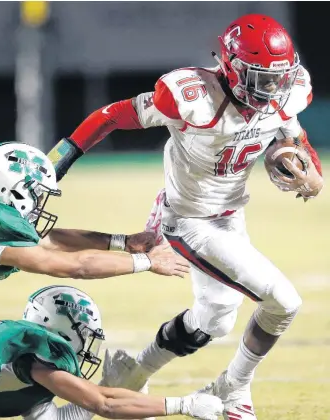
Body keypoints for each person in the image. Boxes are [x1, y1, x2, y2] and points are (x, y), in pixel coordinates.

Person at [46, 13, 324, 419]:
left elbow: (293, 138)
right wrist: (57, 161)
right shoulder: (191, 96)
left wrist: (308, 170)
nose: (271, 88)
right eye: (260, 78)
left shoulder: (285, 92)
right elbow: (110, 115)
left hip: (230, 217)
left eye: (277, 77)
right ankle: (233, 389)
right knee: (283, 301)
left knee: (214, 320)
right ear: (231, 67)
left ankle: (131, 372)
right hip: (188, 221)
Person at [0, 284, 223, 420]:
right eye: (85, 336)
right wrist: (183, 404)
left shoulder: (25, 364)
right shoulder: (38, 361)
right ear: (62, 331)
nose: (86, 346)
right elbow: (106, 404)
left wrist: (104, 386)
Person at [0, 142, 189, 288]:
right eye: (38, 193)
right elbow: (75, 266)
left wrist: (123, 242)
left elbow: (46, 239)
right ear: (13, 189)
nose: (40, 201)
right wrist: (147, 261)